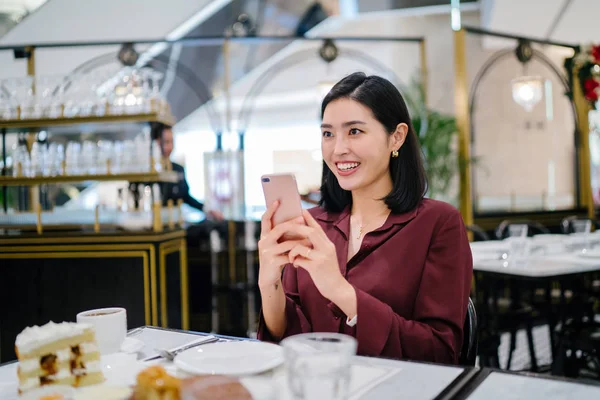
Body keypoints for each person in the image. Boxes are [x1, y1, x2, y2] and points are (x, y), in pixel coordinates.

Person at [256, 72, 473, 364]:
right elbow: (289, 341)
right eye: (328, 133)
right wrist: (269, 281)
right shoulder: (312, 225)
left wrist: (340, 290)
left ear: (396, 137)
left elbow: (439, 352)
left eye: (354, 131)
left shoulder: (438, 223)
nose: (338, 148)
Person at [151, 123, 224, 221]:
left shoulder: (178, 169)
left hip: (175, 223)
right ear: (156, 143)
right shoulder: (149, 172)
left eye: (172, 142)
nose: (170, 147)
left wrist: (207, 209)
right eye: (166, 142)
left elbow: (186, 196)